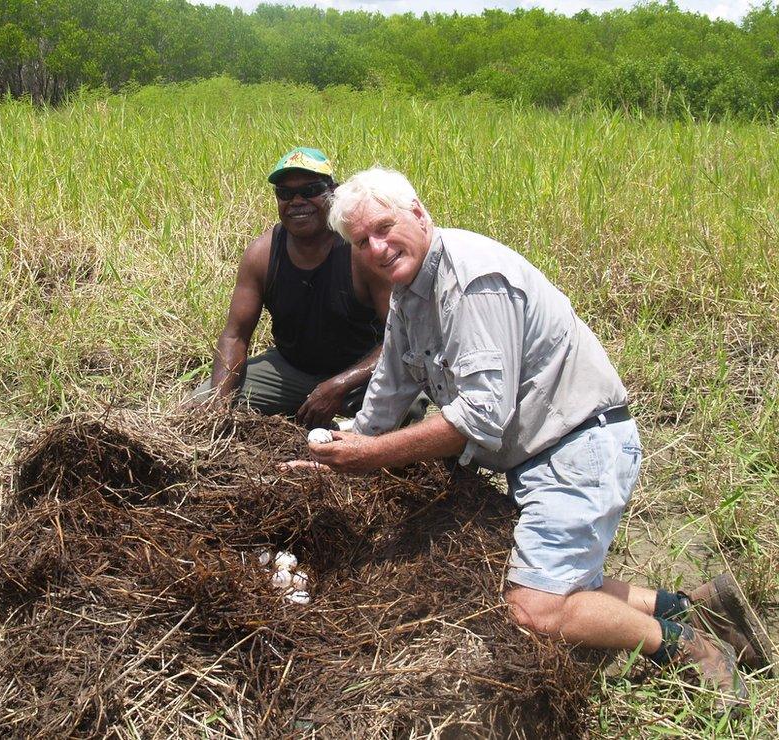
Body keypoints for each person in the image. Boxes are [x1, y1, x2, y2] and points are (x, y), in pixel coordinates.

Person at [297, 167, 772, 710]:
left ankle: (692, 648)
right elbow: (389, 390)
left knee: (535, 607)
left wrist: (372, 456)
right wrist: (339, 453)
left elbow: (479, 418)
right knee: (544, 575)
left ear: (419, 214)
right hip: (541, 457)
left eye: (385, 227)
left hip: (577, 448)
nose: (378, 247)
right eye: (363, 241)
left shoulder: (471, 280)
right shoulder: (410, 295)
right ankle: (693, 606)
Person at [194, 147, 426, 429]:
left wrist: (338, 385)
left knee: (408, 409)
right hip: (292, 367)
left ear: (333, 192)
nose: (297, 201)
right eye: (285, 193)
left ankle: (347, 424)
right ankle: (302, 416)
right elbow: (234, 337)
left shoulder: (361, 251)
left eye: (310, 189)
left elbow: (401, 337)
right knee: (200, 404)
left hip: (360, 371)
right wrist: (216, 409)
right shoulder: (261, 254)